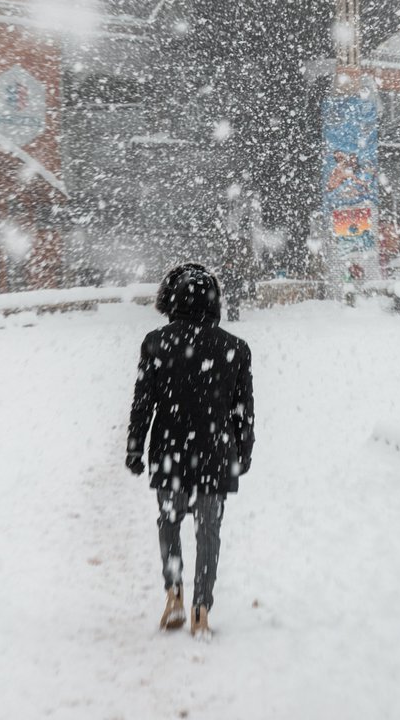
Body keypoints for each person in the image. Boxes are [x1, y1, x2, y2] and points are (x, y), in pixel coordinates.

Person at [125, 262, 255, 639]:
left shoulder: (156, 343)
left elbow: (142, 403)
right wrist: (243, 451)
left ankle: (174, 593)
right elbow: (242, 410)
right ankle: (202, 608)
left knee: (169, 523)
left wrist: (135, 448)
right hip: (216, 454)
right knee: (209, 532)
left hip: (170, 451)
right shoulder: (235, 348)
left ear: (172, 299)